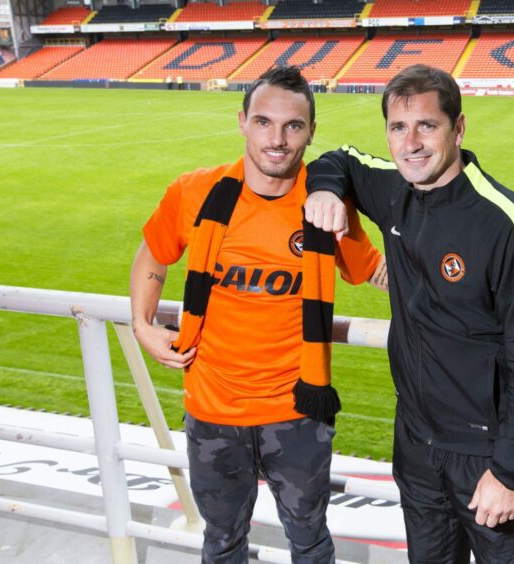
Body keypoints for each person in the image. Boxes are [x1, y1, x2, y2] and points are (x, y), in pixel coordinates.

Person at [304, 64, 514, 564]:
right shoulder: (394, 190)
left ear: (458, 128)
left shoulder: (506, 224)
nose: (412, 143)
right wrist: (324, 189)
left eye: (427, 125)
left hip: (488, 460)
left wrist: (509, 471)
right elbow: (339, 159)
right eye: (398, 128)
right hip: (418, 449)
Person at [130, 66, 386, 564]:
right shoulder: (195, 192)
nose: (278, 139)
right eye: (265, 122)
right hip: (212, 412)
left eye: (294, 126)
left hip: (297, 415)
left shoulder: (326, 203)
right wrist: (143, 325)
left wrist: (450, 268)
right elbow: (155, 251)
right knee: (222, 542)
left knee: (310, 541)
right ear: (242, 121)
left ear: (312, 130)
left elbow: (372, 271)